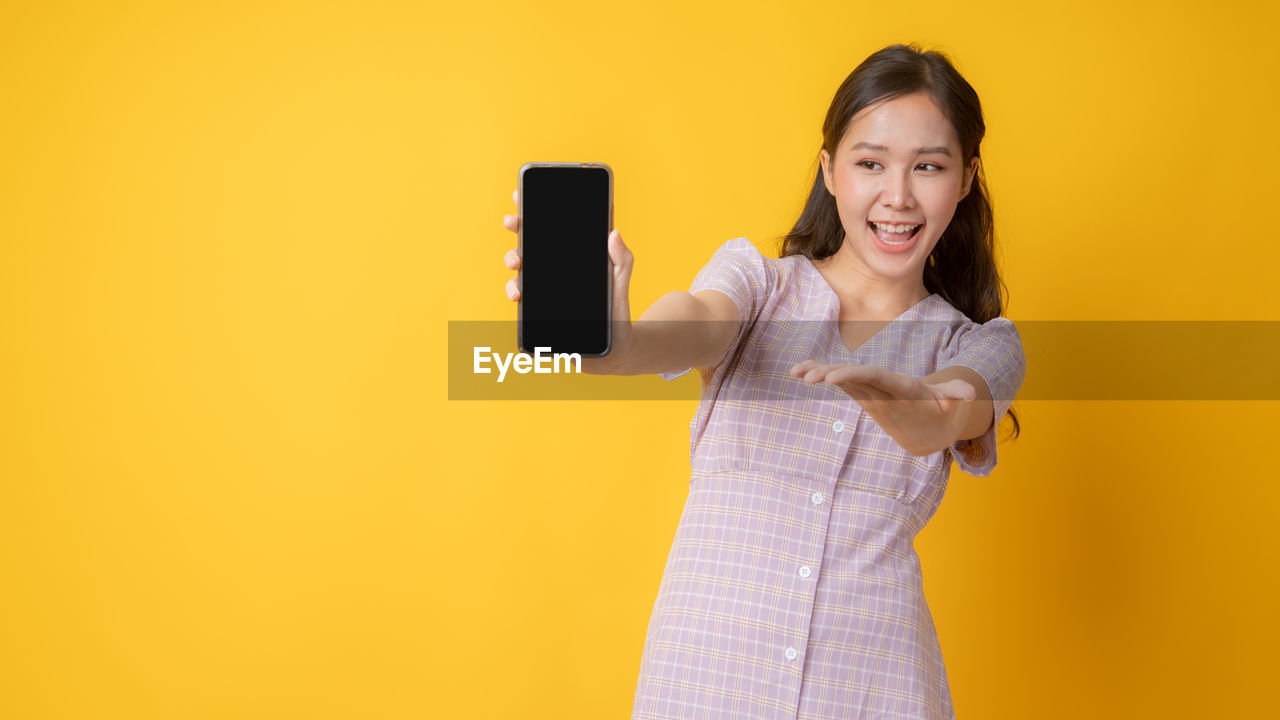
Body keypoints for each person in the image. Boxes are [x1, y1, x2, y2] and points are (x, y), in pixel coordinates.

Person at [501, 43, 1025, 720]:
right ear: (830, 171)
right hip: (703, 686)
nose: (898, 196)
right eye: (871, 163)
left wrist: (929, 413)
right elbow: (693, 322)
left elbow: (954, 408)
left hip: (875, 689)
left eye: (928, 166)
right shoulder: (758, 283)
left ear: (966, 177)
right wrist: (617, 340)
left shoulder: (982, 345)